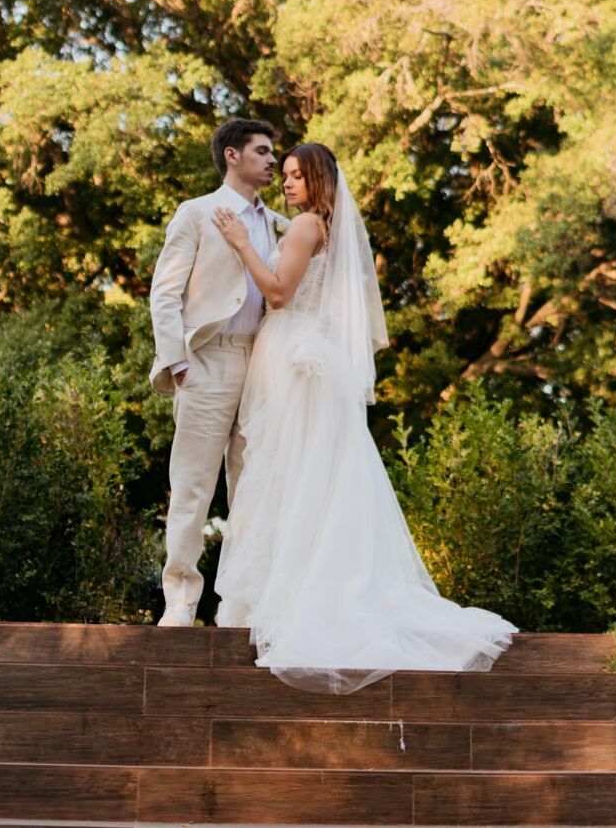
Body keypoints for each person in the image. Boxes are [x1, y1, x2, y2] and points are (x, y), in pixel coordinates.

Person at [209, 141, 516, 692]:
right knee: (312, 480)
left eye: (299, 176)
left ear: (320, 182)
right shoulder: (320, 228)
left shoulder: (305, 227)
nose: (288, 183)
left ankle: (285, 593)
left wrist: (239, 243)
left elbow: (278, 293)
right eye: (286, 175)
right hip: (309, 357)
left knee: (286, 476)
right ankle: (308, 586)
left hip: (291, 357)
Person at [146, 119, 287, 627]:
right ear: (232, 155)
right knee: (192, 486)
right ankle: (180, 600)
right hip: (207, 360)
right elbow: (165, 294)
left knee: (251, 487)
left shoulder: (278, 223)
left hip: (263, 365)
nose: (273, 161)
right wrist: (179, 364)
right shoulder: (196, 213)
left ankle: (241, 602)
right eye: (263, 151)